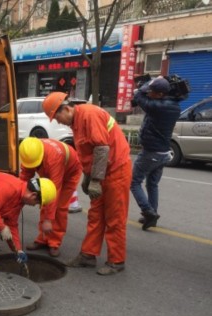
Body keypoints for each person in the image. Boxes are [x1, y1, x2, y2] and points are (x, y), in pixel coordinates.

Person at [42, 92, 132, 276]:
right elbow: (87, 151)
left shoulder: (89, 115)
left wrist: (96, 180)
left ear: (66, 108)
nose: (58, 122)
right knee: (95, 216)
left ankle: (116, 261)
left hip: (116, 171)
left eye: (57, 117)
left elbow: (101, 148)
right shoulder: (76, 122)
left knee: (114, 218)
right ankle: (88, 255)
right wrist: (88, 177)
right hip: (101, 171)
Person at [130, 76, 182, 230]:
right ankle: (153, 214)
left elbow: (138, 95)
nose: (149, 93)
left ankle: (148, 211)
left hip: (151, 152)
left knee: (134, 182)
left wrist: (145, 85)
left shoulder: (157, 107)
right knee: (152, 184)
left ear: (160, 94)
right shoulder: (173, 105)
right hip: (163, 152)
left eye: (152, 91)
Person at [19, 137, 82, 257]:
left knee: (59, 207)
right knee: (43, 201)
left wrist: (48, 219)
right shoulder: (29, 151)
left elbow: (54, 191)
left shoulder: (54, 158)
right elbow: (25, 175)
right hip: (49, 170)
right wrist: (18, 195)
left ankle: (54, 242)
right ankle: (43, 239)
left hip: (70, 173)